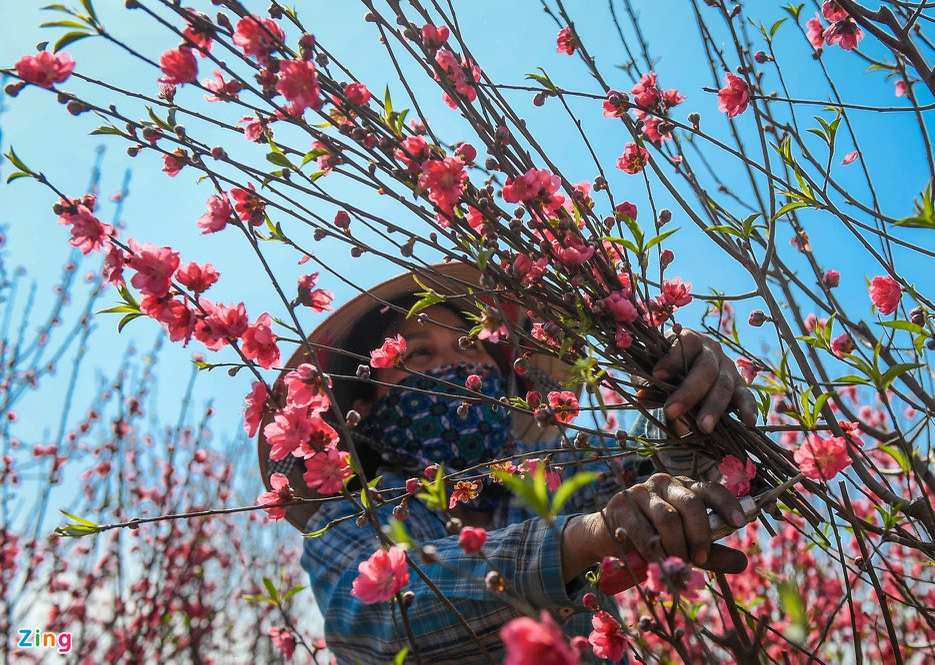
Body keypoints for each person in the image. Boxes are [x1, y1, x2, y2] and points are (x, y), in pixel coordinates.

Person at [258, 263, 759, 664]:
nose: (453, 366)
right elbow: (376, 621)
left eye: (469, 345)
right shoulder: (347, 520)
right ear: (363, 404)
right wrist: (579, 541)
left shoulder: (556, 470)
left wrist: (686, 414)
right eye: (419, 354)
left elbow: (651, 469)